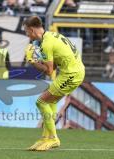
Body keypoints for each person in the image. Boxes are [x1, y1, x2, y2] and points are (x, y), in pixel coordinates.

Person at [23, 16, 85, 151]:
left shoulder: (45, 44)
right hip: (72, 72)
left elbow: (49, 71)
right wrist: (39, 60)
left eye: (27, 31)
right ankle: (46, 138)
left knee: (41, 102)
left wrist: (32, 61)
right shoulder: (52, 35)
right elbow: (55, 66)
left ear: (32, 30)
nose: (27, 34)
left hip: (72, 75)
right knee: (50, 102)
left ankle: (53, 138)